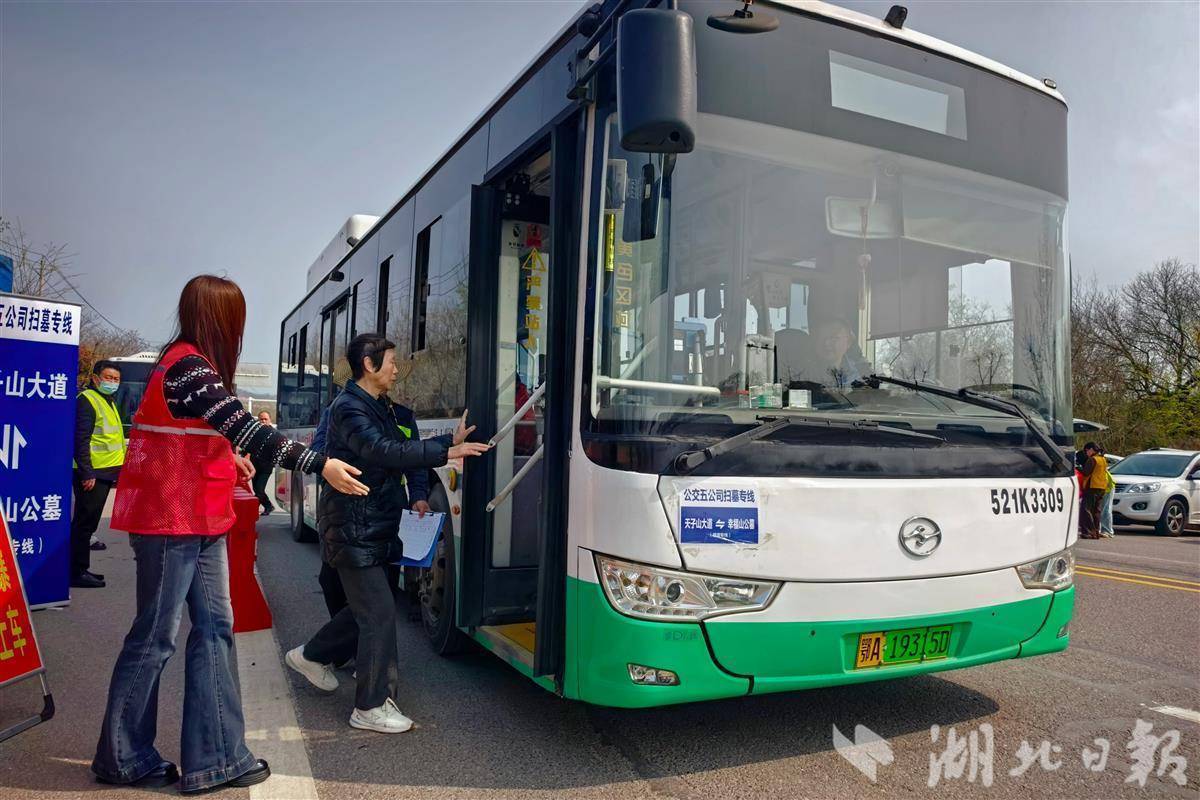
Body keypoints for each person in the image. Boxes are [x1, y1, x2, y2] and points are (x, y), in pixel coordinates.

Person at [93, 275, 368, 793]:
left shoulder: (191, 366)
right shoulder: (189, 367)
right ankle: (122, 756)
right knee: (155, 638)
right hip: (170, 523)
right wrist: (321, 464)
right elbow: (247, 428)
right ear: (220, 320)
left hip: (199, 519)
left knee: (216, 629)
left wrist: (230, 457)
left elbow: (213, 433)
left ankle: (217, 757)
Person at [285, 333, 489, 735]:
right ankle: (370, 706)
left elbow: (401, 447)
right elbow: (384, 451)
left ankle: (312, 655)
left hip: (373, 525)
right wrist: (446, 452)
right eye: (392, 362)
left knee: (369, 609)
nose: (397, 369)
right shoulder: (349, 409)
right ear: (369, 363)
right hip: (353, 526)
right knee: (377, 614)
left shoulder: (379, 406)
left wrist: (447, 441)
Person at [70, 361, 127, 589]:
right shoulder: (87, 400)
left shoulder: (107, 400)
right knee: (84, 524)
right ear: (95, 378)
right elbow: (80, 439)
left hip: (105, 472)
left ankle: (80, 568)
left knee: (89, 523)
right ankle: (76, 572)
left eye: (116, 379)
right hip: (93, 473)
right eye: (108, 377)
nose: (112, 382)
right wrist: (87, 472)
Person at [249, 410, 278, 515]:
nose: (263, 421)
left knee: (259, 490)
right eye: (261, 419)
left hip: (266, 467)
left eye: (265, 419)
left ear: (270, 420)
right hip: (255, 466)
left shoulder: (274, 433)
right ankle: (265, 506)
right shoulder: (254, 433)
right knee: (256, 489)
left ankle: (264, 506)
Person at [1078, 441, 1108, 540]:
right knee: (1096, 511)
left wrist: (1078, 468)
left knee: (1085, 509)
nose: (1086, 453)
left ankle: (1088, 532)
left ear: (1091, 449)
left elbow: (1086, 472)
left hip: (1092, 487)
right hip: (1102, 487)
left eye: (1086, 450)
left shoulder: (1092, 459)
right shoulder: (1103, 459)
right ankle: (1096, 532)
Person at [1100, 447, 1116, 538]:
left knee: (1106, 510)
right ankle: (1105, 530)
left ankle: (1108, 531)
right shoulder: (1101, 460)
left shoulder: (1100, 461)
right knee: (1104, 510)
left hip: (1107, 488)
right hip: (1106, 487)